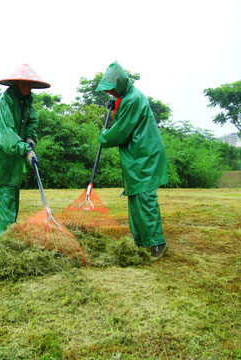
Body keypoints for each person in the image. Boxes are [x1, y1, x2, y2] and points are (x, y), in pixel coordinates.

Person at [96, 61, 168, 258]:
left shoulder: (132, 99)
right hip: (138, 155)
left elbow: (121, 131)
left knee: (145, 197)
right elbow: (123, 119)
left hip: (145, 155)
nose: (110, 92)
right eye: (108, 91)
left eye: (112, 89)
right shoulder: (126, 97)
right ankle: (142, 241)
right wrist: (115, 103)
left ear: (119, 83)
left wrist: (104, 136)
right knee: (136, 197)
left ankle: (157, 243)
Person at [0, 64, 50, 236]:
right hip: (1, 156)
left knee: (12, 195)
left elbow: (31, 122)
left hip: (15, 156)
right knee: (5, 196)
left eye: (30, 84)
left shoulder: (26, 101)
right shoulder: (4, 101)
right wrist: (25, 150)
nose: (27, 86)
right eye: (23, 83)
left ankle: (9, 233)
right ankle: (4, 237)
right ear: (16, 82)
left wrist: (30, 139)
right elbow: (6, 133)